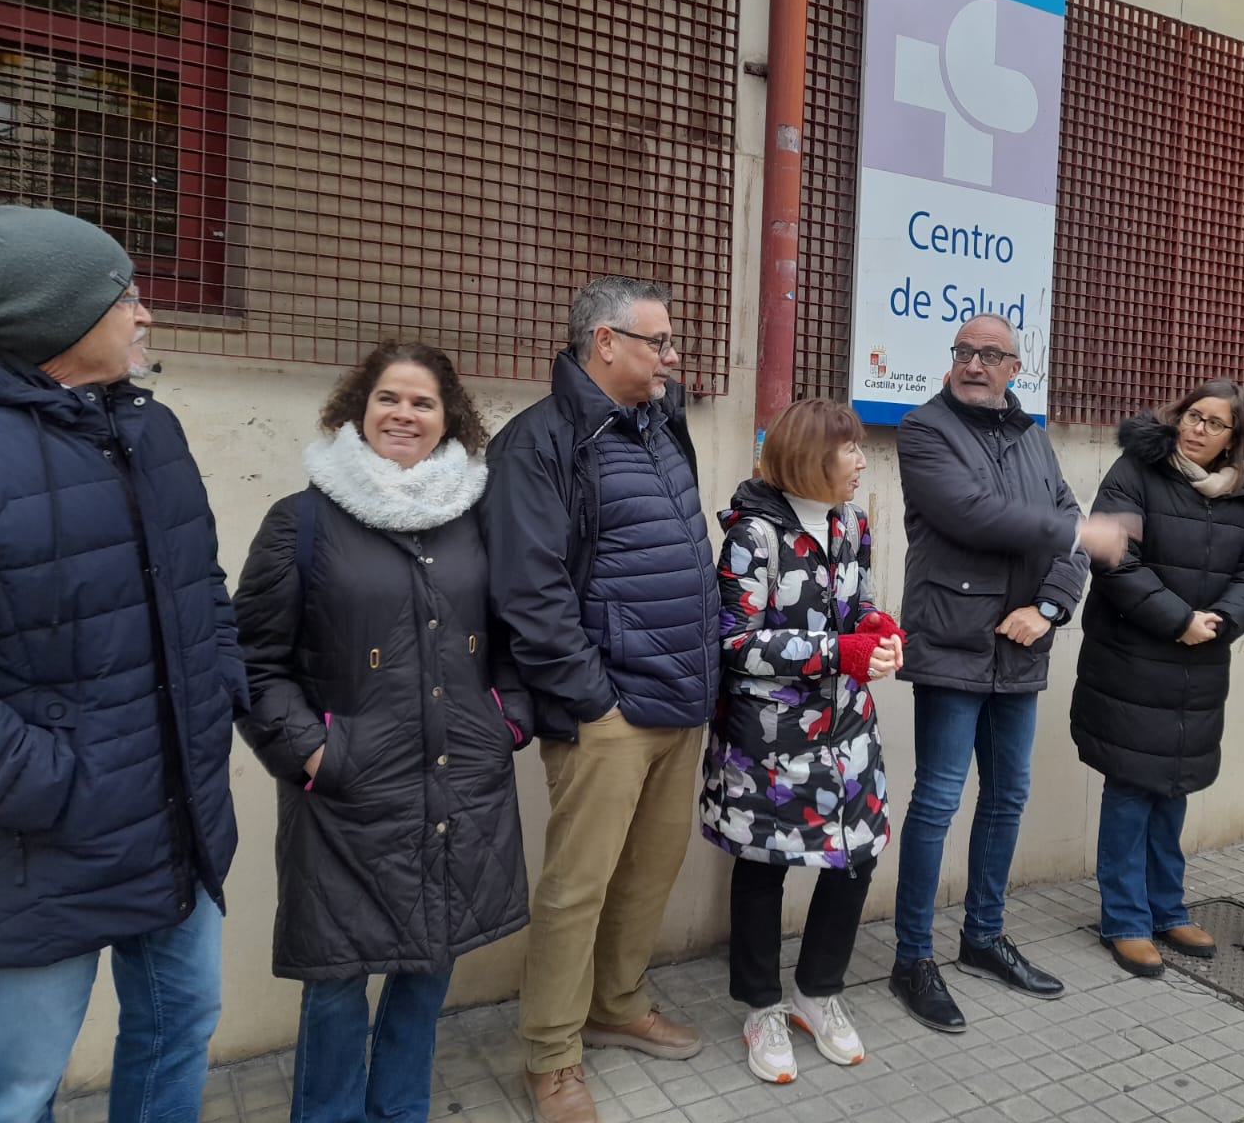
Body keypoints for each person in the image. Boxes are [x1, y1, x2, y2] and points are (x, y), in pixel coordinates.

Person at [0, 206, 243, 1122]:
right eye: (123, 296)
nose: (145, 313)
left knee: (180, 1029)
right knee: (16, 1089)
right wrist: (46, 782)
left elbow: (201, 583)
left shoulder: (149, 429)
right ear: (52, 317)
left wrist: (218, 694)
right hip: (35, 839)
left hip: (174, 814)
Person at [234, 342, 529, 1122]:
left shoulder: (476, 519)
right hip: (347, 794)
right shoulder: (302, 522)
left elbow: (514, 637)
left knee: (429, 965)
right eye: (388, 398)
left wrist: (506, 722)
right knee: (337, 980)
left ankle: (401, 1111)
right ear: (358, 410)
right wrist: (314, 753)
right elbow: (253, 663)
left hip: (459, 783)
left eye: (422, 402)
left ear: (448, 418)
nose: (404, 414)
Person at [485, 276, 719, 1123]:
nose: (671, 357)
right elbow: (529, 590)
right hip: (608, 710)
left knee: (649, 873)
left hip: (681, 698)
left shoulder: (660, 424)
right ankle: (551, 1054)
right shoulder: (539, 442)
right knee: (576, 889)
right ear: (605, 343)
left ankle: (616, 1005)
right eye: (659, 342)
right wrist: (592, 699)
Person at [888, 312, 1133, 1033]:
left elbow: (1070, 534)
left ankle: (983, 937)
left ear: (1014, 368)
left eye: (990, 354)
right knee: (938, 800)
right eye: (964, 351)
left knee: (1007, 796)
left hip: (1021, 643)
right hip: (953, 640)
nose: (974, 364)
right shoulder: (923, 429)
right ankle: (911, 958)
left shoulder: (1032, 435)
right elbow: (974, 515)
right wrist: (1076, 531)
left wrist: (1050, 608)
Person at [699, 399, 903, 1084]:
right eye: (850, 449)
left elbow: (857, 604)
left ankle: (818, 992)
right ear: (812, 457)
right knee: (764, 866)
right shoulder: (753, 534)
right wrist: (840, 651)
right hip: (772, 740)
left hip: (847, 730)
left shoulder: (852, 522)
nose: (862, 461)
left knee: (855, 856)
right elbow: (734, 642)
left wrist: (875, 630)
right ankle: (761, 1007)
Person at [1070, 382, 1244, 977]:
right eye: (1192, 415)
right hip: (1131, 657)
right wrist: (1177, 619)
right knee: (1132, 788)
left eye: (1214, 423)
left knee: (1174, 787)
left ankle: (1167, 908)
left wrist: (1220, 622)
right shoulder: (1137, 471)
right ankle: (1125, 920)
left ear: (1234, 438)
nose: (1198, 429)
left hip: (1201, 660)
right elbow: (1114, 558)